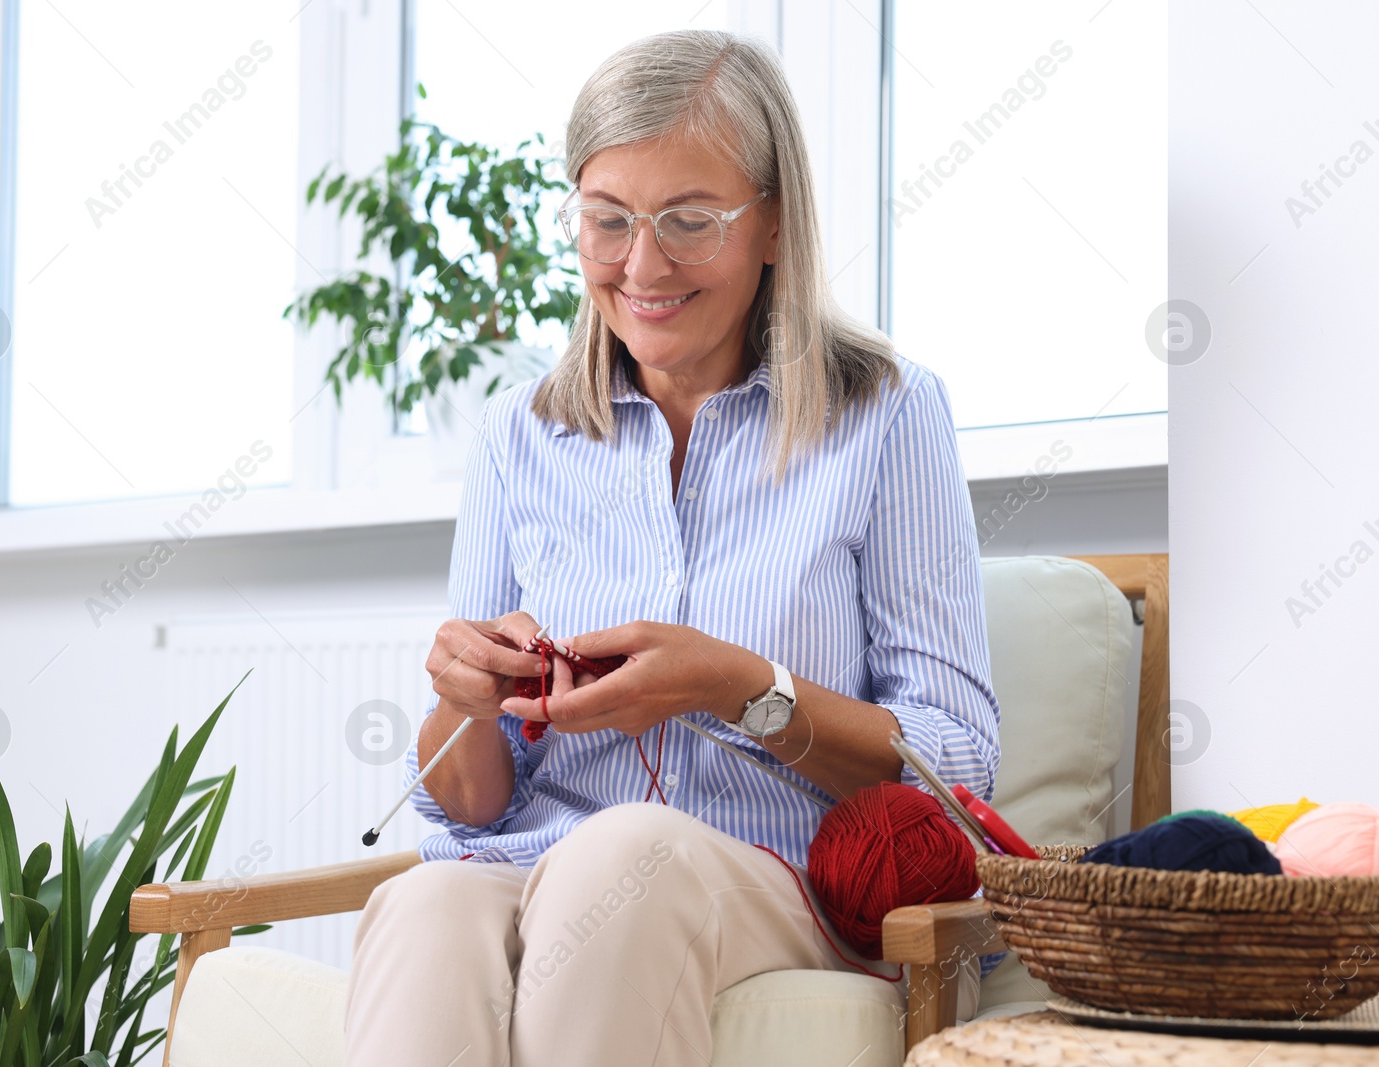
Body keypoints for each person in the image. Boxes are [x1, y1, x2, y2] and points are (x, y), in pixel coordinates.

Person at [344, 28, 999, 1067]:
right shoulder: (519, 437)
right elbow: (469, 797)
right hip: (529, 857)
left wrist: (736, 685)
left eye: (689, 220)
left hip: (772, 879)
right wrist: (465, 696)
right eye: (606, 221)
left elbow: (955, 763)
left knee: (624, 854)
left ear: (773, 224)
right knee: (423, 903)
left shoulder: (886, 413)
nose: (641, 266)